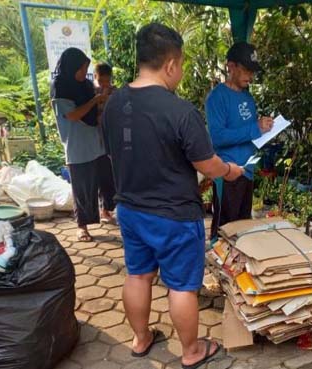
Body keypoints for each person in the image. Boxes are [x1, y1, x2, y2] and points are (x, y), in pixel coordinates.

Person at [103, 23, 244, 368]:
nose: (179, 72)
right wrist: (230, 171)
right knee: (181, 285)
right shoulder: (180, 112)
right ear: (170, 64)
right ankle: (192, 352)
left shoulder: (113, 103)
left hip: (131, 210)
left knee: (138, 275)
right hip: (174, 216)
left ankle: (141, 339)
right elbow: (207, 165)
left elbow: (113, 154)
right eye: (180, 65)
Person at [206, 42, 273, 240]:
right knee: (224, 229)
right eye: (245, 70)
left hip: (247, 171)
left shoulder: (247, 96)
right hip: (227, 172)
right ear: (231, 66)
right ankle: (217, 263)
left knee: (243, 228)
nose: (250, 76)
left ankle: (238, 267)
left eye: (252, 71)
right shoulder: (217, 97)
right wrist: (255, 129)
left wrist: (265, 129)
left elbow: (249, 132)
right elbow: (217, 138)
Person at [50, 48, 116, 242]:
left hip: (96, 141)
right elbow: (72, 115)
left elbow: (96, 111)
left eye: (85, 69)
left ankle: (105, 210)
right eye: (81, 68)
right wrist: (96, 100)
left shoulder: (87, 85)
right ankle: (82, 226)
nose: (83, 73)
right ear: (71, 67)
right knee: (82, 188)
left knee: (106, 180)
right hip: (77, 144)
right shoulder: (60, 86)